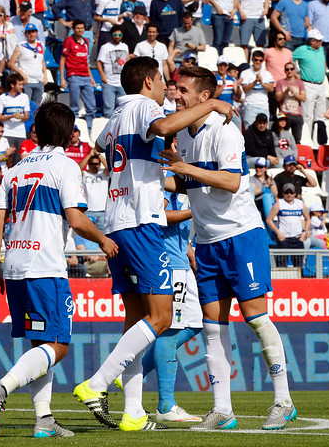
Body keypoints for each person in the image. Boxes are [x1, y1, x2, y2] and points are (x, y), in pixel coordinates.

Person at [74, 57, 234, 431]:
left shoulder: (115, 115)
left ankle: (133, 412)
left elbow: (99, 142)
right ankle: (96, 384)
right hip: (141, 222)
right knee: (162, 317)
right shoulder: (147, 107)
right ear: (148, 82)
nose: (168, 88)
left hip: (115, 223)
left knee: (136, 320)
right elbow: (161, 125)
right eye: (163, 80)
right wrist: (207, 103)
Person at [159, 65, 295, 430]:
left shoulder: (225, 131)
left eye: (183, 90)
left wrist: (183, 167)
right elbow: (189, 184)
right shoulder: (183, 136)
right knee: (213, 328)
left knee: (255, 318)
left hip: (241, 235)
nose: (176, 95)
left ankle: (283, 401)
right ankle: (222, 409)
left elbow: (231, 182)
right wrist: (158, 185)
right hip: (205, 242)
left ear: (204, 98)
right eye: (175, 88)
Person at [0, 101, 117, 438]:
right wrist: (102, 239)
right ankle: (0, 389)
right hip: (45, 267)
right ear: (71, 136)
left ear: (36, 131)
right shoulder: (66, 166)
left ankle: (44, 420)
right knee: (58, 345)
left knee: (40, 344)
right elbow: (76, 218)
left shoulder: (16, 169)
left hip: (14, 266)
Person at [141, 182, 203, 423]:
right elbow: (159, 217)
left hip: (182, 264)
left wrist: (191, 256)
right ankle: (166, 405)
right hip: (170, 266)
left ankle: (135, 373)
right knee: (171, 328)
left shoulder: (180, 187)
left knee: (196, 322)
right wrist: (193, 211)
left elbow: (177, 233)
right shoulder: (166, 183)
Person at [60, 20, 97, 131]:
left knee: (92, 107)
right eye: (77, 28)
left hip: (85, 76)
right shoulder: (69, 41)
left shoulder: (86, 41)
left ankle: (90, 130)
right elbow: (62, 60)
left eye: (82, 28)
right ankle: (74, 130)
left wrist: (91, 77)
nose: (80, 30)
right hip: (73, 76)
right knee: (75, 107)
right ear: (73, 29)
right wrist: (62, 78)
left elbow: (86, 60)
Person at [266, 183, 310, 267]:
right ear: (283, 193)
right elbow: (269, 220)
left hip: (297, 239)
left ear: (295, 193)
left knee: (298, 266)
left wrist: (305, 231)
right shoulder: (279, 203)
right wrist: (278, 232)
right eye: (286, 192)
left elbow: (308, 218)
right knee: (281, 265)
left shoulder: (300, 204)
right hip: (284, 239)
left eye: (291, 192)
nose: (289, 195)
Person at [293, 30, 326, 132]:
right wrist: (295, 74)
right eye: (319, 40)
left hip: (321, 85)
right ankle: (306, 139)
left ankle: (318, 140)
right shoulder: (301, 50)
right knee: (307, 115)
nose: (321, 42)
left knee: (321, 115)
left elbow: (323, 62)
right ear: (312, 41)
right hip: (308, 85)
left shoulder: (321, 49)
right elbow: (288, 60)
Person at [8, 23, 47, 106]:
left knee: (37, 107)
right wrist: (22, 73)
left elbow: (42, 61)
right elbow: (11, 63)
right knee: (26, 105)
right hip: (26, 82)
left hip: (39, 81)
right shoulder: (21, 46)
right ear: (25, 34)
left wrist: (45, 75)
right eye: (29, 32)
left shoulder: (40, 45)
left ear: (36, 33)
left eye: (33, 32)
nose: (31, 34)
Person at [97, 26, 129, 118]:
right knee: (108, 109)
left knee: (124, 109)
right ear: (111, 35)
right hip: (109, 82)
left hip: (122, 83)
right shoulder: (105, 47)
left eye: (119, 34)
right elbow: (99, 62)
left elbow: (127, 62)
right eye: (115, 34)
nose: (117, 36)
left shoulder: (125, 46)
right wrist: (102, 76)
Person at [0, 73, 30, 152]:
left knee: (19, 161)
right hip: (7, 133)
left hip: (20, 134)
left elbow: (27, 116)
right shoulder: (2, 98)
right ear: (12, 85)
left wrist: (21, 117)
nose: (22, 87)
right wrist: (11, 116)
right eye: (20, 84)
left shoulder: (24, 97)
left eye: (22, 84)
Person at [239, 50, 274, 127]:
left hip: (264, 106)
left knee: (264, 133)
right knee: (249, 132)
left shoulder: (267, 74)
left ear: (263, 61)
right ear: (252, 60)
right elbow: (245, 89)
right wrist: (255, 82)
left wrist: (262, 83)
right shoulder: (245, 73)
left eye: (260, 60)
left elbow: (271, 89)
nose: (258, 62)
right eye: (256, 60)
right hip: (250, 106)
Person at [78, 149, 109, 231]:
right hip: (89, 211)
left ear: (99, 165)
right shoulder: (84, 174)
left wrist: (98, 155)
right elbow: (78, 169)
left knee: (103, 236)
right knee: (88, 236)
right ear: (88, 164)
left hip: (103, 211)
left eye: (96, 164)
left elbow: (109, 167)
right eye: (91, 164)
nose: (94, 165)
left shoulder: (104, 174)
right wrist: (89, 155)